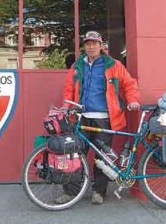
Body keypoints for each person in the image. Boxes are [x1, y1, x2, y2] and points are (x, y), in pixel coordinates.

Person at [59, 30, 140, 205]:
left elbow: (129, 83)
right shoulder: (77, 65)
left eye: (94, 43)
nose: (91, 46)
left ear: (101, 45)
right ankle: (71, 192)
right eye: (88, 44)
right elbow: (68, 88)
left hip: (104, 117)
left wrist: (133, 100)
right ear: (84, 46)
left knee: (102, 157)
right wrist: (66, 105)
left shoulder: (113, 65)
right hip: (80, 117)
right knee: (74, 155)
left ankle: (98, 192)